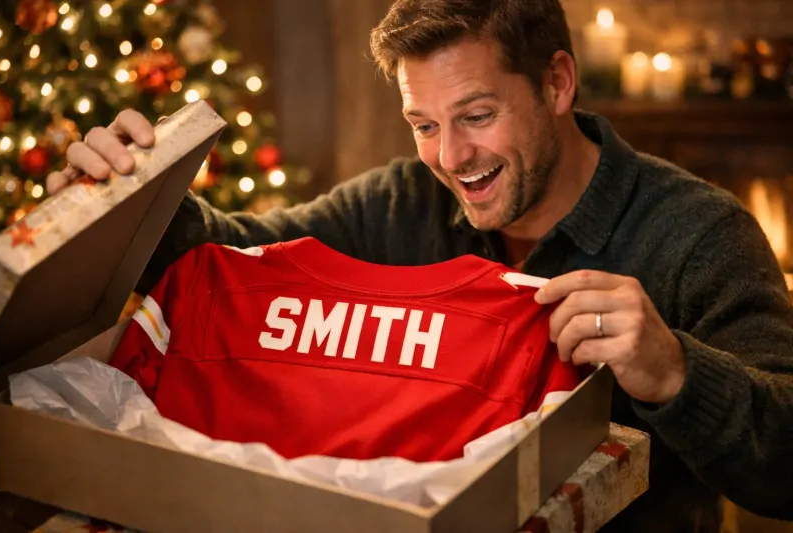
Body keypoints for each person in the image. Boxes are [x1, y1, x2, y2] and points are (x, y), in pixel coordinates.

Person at [48, 0, 793, 531]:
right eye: (423, 125)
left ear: (558, 84)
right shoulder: (400, 203)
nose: (449, 158)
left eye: (476, 116)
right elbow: (238, 261)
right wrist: (124, 204)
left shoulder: (701, 233)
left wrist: (675, 371)